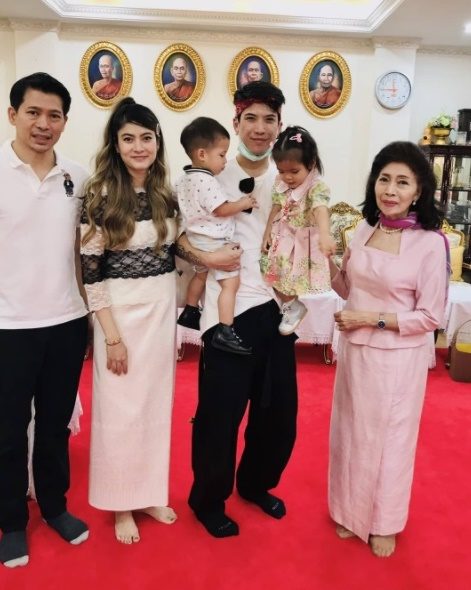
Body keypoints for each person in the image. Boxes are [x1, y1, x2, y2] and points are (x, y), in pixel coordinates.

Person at [177, 81, 298, 538]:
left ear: (280, 125)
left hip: (276, 308)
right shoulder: (208, 174)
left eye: (269, 119)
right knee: (219, 415)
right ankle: (208, 499)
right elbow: (179, 238)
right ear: (237, 122)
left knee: (278, 414)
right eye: (251, 118)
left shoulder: (290, 177)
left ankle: (255, 484)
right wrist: (205, 258)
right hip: (227, 313)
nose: (260, 128)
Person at [328, 141, 449, 558]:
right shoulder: (364, 230)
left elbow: (431, 316)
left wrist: (369, 318)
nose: (390, 190)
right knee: (350, 432)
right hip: (355, 350)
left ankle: (384, 522)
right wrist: (323, 258)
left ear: (419, 191)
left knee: (390, 439)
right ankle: (349, 511)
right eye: (384, 179)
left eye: (402, 182)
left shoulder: (430, 243)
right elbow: (347, 287)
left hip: (397, 359)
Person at [0, 73, 89, 568]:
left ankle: (55, 507)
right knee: (7, 431)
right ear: (13, 114)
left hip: (66, 320)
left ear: (64, 122)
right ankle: (12, 521)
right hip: (7, 325)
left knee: (54, 426)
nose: (43, 123)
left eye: (54, 115)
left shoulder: (78, 177)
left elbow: (85, 250)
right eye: (33, 112)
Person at [80, 97, 179, 544]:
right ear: (115, 145)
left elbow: (175, 251)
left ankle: (148, 493)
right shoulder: (100, 195)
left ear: (157, 142)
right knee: (120, 411)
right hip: (119, 317)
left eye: (146, 137)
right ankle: (121, 503)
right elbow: (91, 273)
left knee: (156, 407)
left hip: (161, 311)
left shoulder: (165, 193)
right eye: (128, 139)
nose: (139, 147)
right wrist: (112, 337)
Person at [176, 116, 257, 354]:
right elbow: (220, 209)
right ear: (202, 154)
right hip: (214, 241)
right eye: (221, 155)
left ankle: (190, 310)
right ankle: (225, 329)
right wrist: (243, 203)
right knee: (230, 284)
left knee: (200, 275)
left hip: (196, 238)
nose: (224, 161)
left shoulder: (183, 179)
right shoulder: (207, 180)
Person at [261, 125, 336, 335]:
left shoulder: (316, 187)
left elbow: (320, 209)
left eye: (294, 171)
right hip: (283, 237)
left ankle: (292, 306)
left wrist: (325, 234)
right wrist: (267, 232)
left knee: (286, 279)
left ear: (311, 164)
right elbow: (276, 206)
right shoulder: (281, 182)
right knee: (268, 275)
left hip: (302, 243)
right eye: (281, 171)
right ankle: (292, 306)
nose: (287, 177)